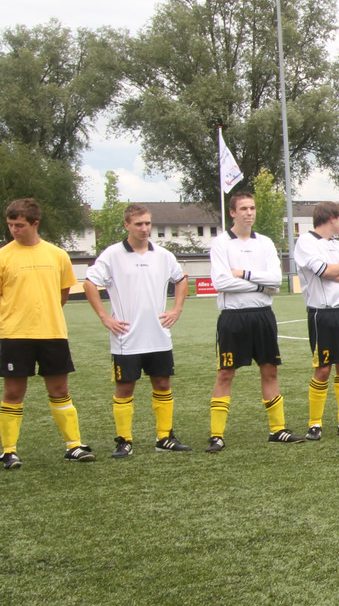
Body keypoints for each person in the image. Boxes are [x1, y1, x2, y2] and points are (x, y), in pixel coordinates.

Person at [82, 202, 191, 457]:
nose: (144, 228)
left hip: (158, 335)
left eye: (147, 223)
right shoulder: (111, 255)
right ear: (127, 225)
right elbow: (89, 284)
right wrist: (104, 317)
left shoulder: (163, 255)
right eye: (138, 224)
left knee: (162, 384)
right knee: (125, 388)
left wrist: (176, 309)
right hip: (126, 338)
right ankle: (124, 440)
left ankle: (164, 437)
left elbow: (181, 279)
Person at [206, 190, 304, 450]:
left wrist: (243, 274)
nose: (249, 213)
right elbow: (221, 282)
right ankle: (216, 435)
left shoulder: (265, 243)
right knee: (225, 373)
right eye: (243, 208)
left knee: (270, 370)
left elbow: (276, 279)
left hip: (263, 316)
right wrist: (261, 285)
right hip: (233, 317)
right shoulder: (220, 243)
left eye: (252, 208)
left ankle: (278, 429)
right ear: (232, 212)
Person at [0, 197, 94, 467]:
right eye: (10, 225)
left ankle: (73, 446)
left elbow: (62, 295)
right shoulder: (3, 256)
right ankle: (9, 451)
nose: (14, 230)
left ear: (35, 224)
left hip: (53, 333)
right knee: (13, 392)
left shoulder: (57, 255)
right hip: (14, 335)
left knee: (60, 389)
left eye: (19, 225)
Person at [294, 201, 339, 439]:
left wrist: (336, 270)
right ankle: (314, 423)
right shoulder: (306, 242)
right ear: (331, 218)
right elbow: (322, 271)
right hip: (322, 314)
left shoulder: (338, 245)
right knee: (323, 369)